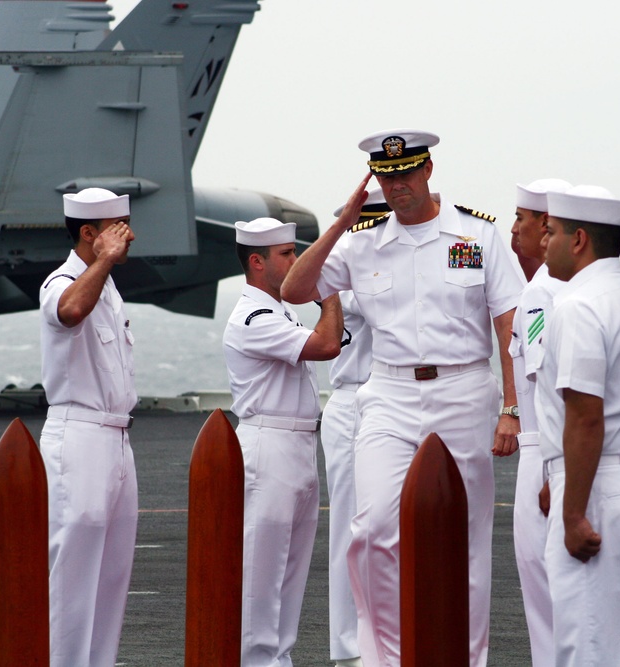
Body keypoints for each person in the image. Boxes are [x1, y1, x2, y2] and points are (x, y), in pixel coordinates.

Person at [281, 129, 523, 667]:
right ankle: (385, 658)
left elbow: (509, 322)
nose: (397, 188)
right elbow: (294, 290)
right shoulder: (361, 240)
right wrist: (340, 224)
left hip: (463, 388)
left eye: (406, 175)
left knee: (466, 536)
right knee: (370, 530)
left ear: (429, 169)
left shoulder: (476, 235)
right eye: (387, 178)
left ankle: (466, 657)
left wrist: (512, 408)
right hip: (388, 391)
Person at [534, 185, 620, 666]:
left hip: (597, 485)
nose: (541, 242)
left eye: (549, 232)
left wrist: (572, 513)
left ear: (578, 241)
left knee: (588, 646)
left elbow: (586, 416)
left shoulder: (577, 307)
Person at [222, 217, 344, 667]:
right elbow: (327, 345)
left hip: (297, 446)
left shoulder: (280, 311)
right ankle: (256, 662)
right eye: (288, 255)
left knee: (291, 573)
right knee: (261, 572)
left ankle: (279, 659)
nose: (297, 261)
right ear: (257, 262)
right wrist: (327, 292)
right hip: (267, 445)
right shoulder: (252, 317)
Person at [38, 187, 138, 667]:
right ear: (89, 234)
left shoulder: (109, 287)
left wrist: (105, 265)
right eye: (118, 228)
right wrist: (104, 262)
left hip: (117, 437)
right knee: (74, 574)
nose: (129, 236)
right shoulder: (62, 281)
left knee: (112, 574)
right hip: (78, 436)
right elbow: (70, 312)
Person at [320, 191, 389, 667]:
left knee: (391, 527)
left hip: (394, 398)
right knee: (350, 526)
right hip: (352, 401)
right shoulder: (344, 271)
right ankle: (348, 651)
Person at [507, 178, 571, 667]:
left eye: (521, 219)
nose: (514, 229)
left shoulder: (539, 294)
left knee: (546, 599)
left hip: (546, 452)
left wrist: (550, 471)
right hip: (567, 452)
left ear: (545, 227)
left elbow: (548, 389)